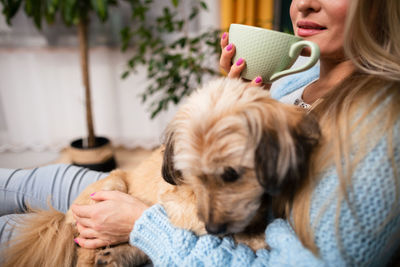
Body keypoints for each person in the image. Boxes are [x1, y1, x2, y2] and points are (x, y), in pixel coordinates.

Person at [1, 0, 399, 265]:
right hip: (142, 186)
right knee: (23, 182)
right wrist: (239, 98)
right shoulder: (306, 69)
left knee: (13, 233)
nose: (303, 3)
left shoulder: (382, 126)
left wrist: (141, 223)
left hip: (166, 228)